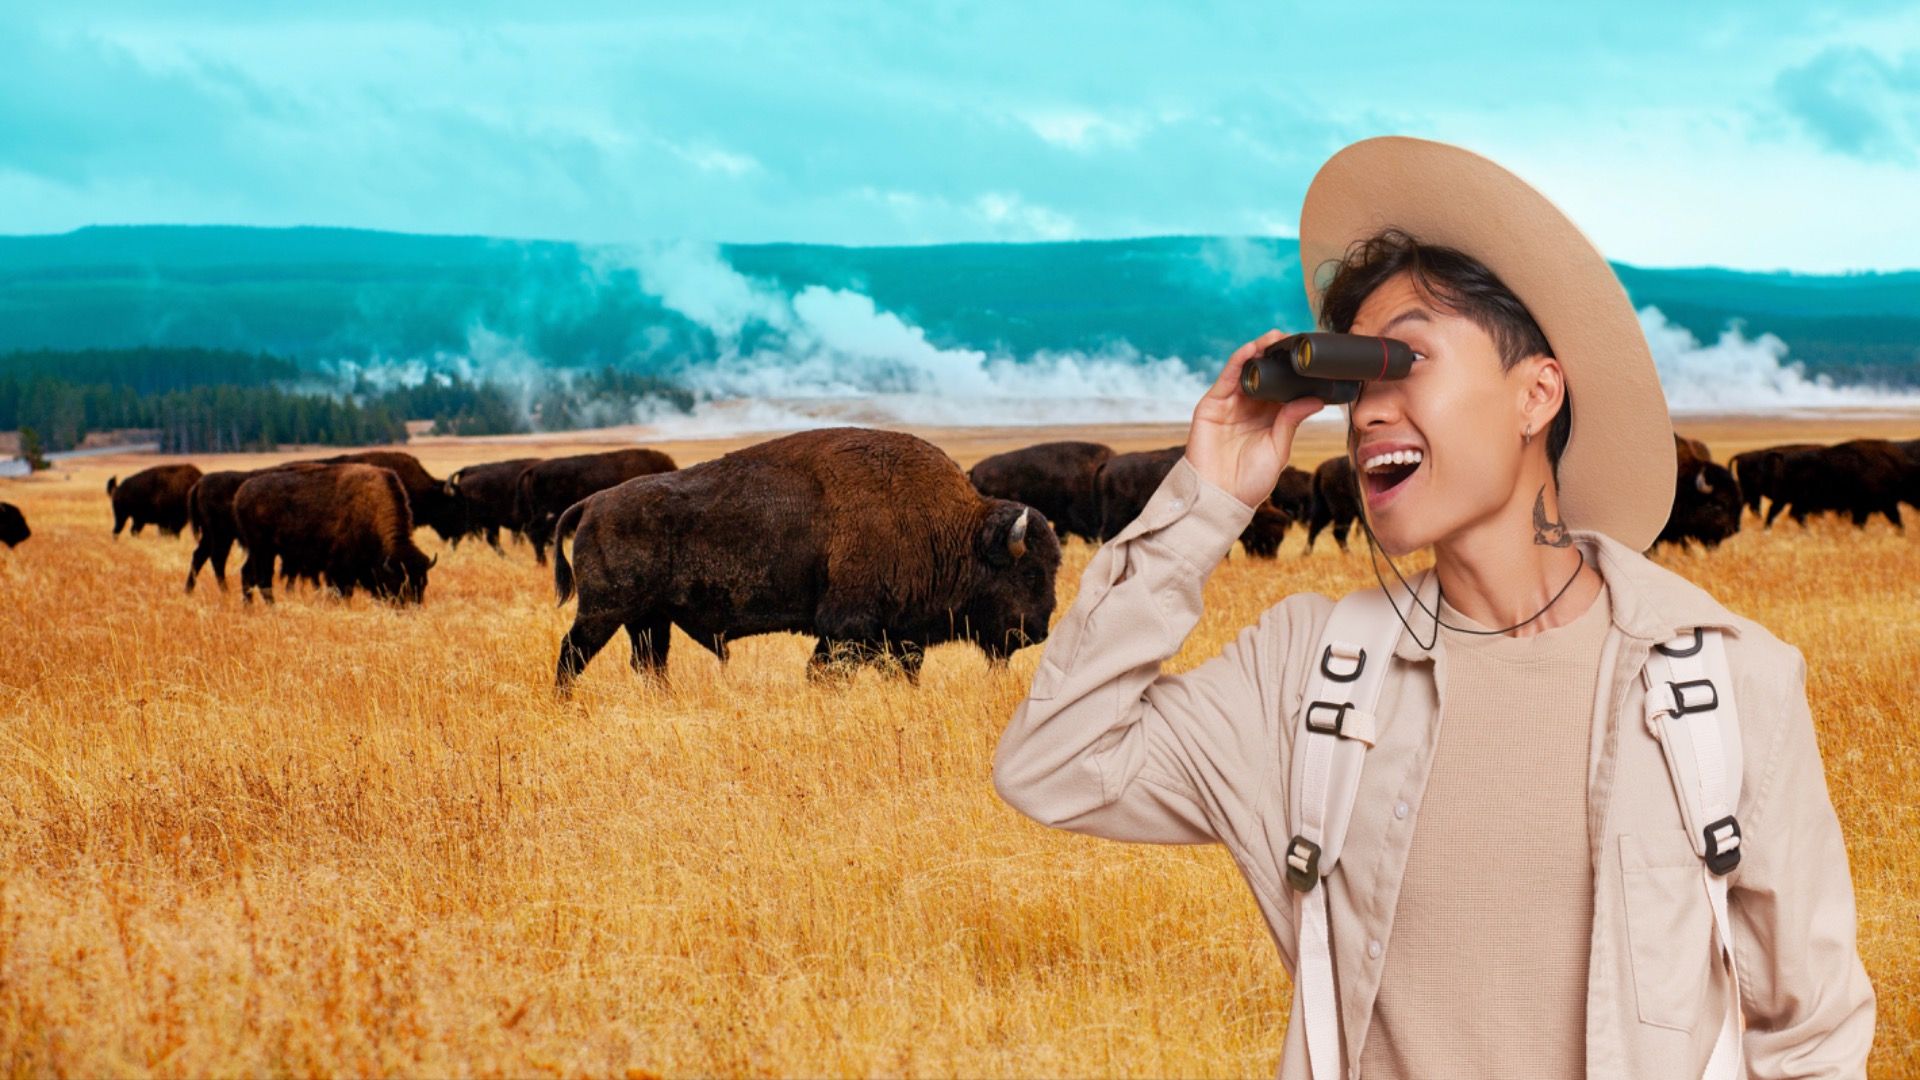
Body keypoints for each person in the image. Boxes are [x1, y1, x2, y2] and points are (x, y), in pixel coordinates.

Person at [991, 136, 1874, 1079]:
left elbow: (1812, 1037)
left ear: (1537, 393)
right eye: (1358, 379)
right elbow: (1056, 763)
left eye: (1405, 358)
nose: (1367, 412)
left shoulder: (1727, 684)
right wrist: (1207, 498)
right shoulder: (1305, 675)